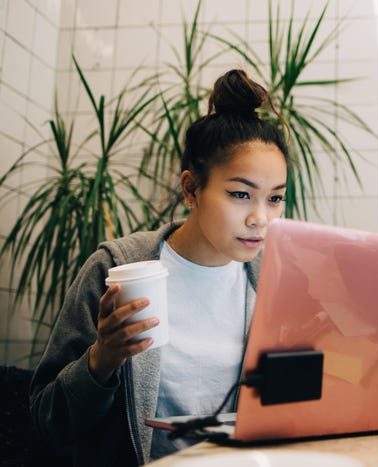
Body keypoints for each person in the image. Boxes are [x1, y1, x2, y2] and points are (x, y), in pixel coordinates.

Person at [29, 69, 289, 466]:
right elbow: (48, 421)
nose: (261, 218)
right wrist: (101, 360)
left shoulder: (272, 281)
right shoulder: (116, 269)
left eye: (274, 199)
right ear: (191, 189)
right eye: (241, 194)